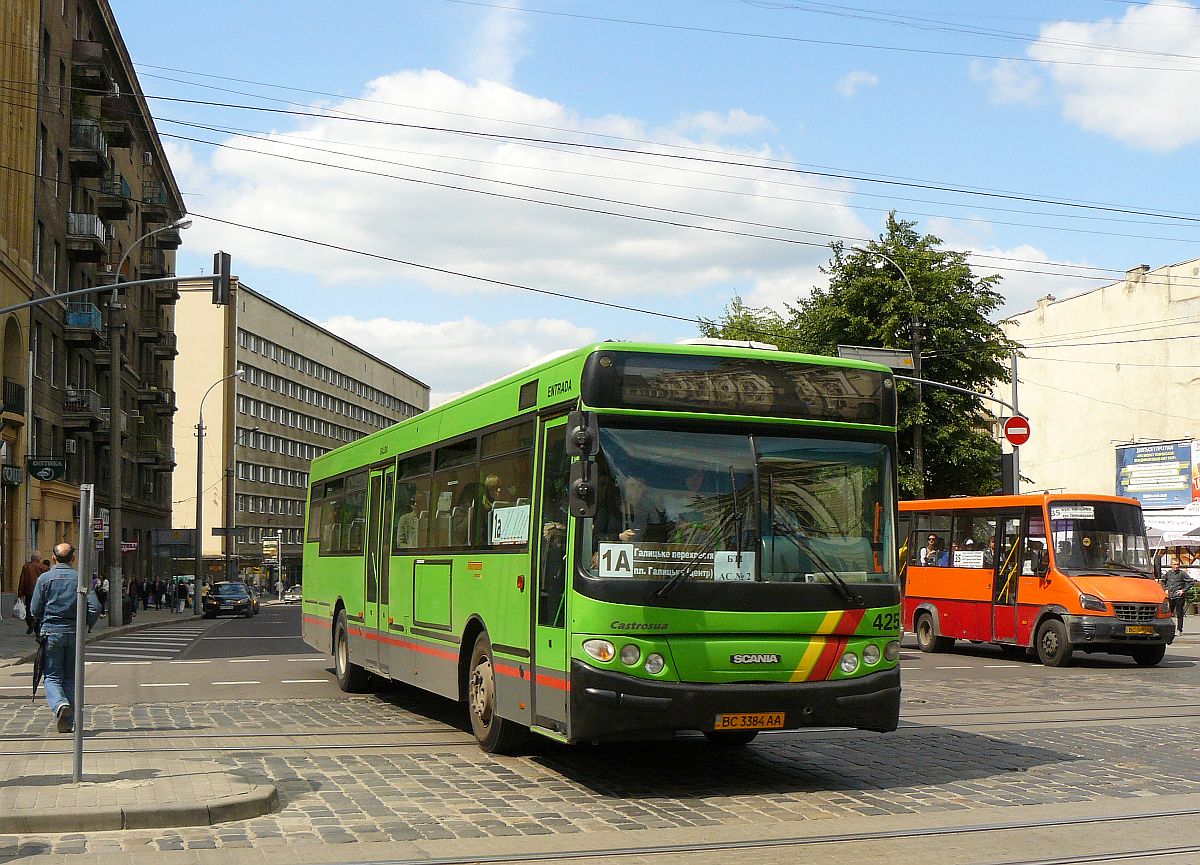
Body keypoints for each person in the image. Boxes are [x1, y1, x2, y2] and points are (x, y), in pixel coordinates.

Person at [29, 543, 100, 734]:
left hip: (51, 633)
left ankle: (60, 704)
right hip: (74, 633)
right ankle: (68, 722)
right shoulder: (80, 579)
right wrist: (86, 625)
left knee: (52, 676)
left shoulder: (45, 579)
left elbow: (34, 609)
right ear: (73, 559)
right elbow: (95, 608)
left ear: (53, 558)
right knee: (70, 678)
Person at [1162, 555, 1196, 634]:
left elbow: (1191, 582)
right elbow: (1163, 581)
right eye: (1174, 564)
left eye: (1177, 564)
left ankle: (1179, 629)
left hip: (1179, 596)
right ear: (1171, 565)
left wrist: (1183, 590)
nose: (1176, 566)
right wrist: (1165, 589)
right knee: (1168, 613)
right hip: (1170, 596)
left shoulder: (1182, 573)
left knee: (1179, 613)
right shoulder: (1168, 573)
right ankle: (1168, 629)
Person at [17, 553, 48, 635]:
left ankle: (30, 623)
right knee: (40, 609)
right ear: (39, 558)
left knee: (28, 609)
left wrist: (20, 593)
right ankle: (37, 627)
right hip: (41, 592)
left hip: (29, 592)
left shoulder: (26, 567)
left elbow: (22, 580)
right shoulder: (44, 567)